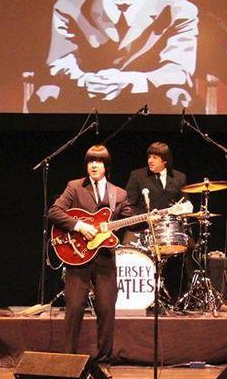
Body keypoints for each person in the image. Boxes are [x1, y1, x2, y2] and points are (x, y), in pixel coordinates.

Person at [31, 0, 199, 112]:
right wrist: (85, 80)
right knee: (47, 94)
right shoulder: (69, 7)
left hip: (149, 92)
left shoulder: (178, 10)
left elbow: (179, 70)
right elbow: (60, 60)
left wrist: (129, 80)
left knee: (178, 96)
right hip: (88, 91)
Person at [47, 145, 134, 367]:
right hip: (77, 256)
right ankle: (69, 360)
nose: (93, 165)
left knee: (106, 309)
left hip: (104, 259)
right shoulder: (74, 187)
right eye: (90, 161)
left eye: (98, 161)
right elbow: (54, 212)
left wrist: (152, 217)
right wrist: (79, 226)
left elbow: (130, 220)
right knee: (74, 308)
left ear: (106, 166)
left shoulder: (119, 194)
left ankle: (104, 361)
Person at [124, 142, 195, 296]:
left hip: (168, 230)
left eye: (155, 157)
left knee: (189, 247)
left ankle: (178, 296)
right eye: (149, 157)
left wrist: (182, 209)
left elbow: (185, 203)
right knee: (127, 253)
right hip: (141, 228)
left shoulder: (179, 177)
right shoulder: (137, 176)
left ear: (165, 161)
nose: (150, 160)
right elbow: (128, 206)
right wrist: (146, 217)